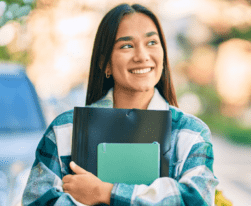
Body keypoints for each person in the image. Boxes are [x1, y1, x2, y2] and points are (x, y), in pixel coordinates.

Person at [22, 3, 218, 206]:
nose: (142, 56)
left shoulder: (190, 133)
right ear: (105, 62)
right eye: (126, 45)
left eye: (151, 42)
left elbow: (196, 200)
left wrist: (105, 192)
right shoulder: (66, 130)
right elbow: (37, 201)